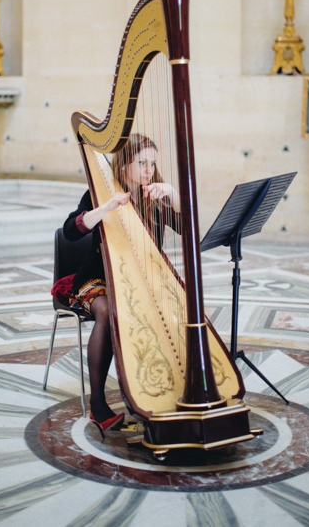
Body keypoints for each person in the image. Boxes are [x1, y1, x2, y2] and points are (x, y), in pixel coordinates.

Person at [52, 133, 181, 434]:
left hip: (140, 281)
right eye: (141, 163)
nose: (149, 169)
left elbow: (187, 230)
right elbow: (70, 230)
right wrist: (107, 207)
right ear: (124, 166)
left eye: (152, 163)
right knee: (110, 313)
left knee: (175, 308)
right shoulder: (100, 193)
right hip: (96, 280)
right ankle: (98, 403)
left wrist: (173, 194)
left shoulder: (155, 196)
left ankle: (154, 390)